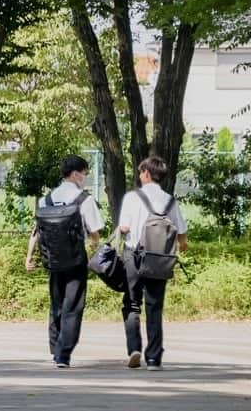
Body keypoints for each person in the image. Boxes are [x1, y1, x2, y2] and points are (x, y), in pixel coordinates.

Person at [25, 155, 103, 369]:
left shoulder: (46, 199)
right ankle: (63, 354)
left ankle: (55, 348)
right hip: (76, 259)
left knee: (56, 304)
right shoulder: (83, 199)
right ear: (76, 173)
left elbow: (37, 231)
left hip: (52, 259)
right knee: (73, 306)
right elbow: (94, 232)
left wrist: (29, 256)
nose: (85, 178)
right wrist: (96, 248)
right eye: (85, 174)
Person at [118, 156, 188, 371]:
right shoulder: (170, 201)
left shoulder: (132, 197)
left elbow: (123, 227)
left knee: (131, 303)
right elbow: (182, 235)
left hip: (134, 256)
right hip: (160, 260)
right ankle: (154, 359)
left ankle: (134, 349)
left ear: (147, 174)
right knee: (155, 307)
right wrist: (181, 247)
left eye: (141, 172)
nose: (140, 176)